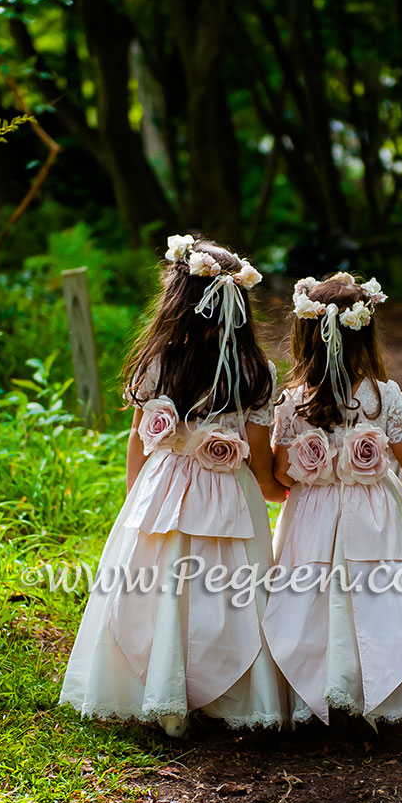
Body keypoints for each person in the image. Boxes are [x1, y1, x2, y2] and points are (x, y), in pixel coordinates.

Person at [59, 235, 287, 737]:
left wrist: (135, 497)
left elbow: (139, 442)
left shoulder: (156, 362)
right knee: (228, 594)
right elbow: (259, 458)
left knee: (161, 590)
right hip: (229, 495)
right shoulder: (256, 372)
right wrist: (278, 489)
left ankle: (167, 698)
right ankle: (228, 695)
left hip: (162, 491)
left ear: (177, 302)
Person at [262, 272, 402, 728]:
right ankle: (383, 690)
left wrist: (304, 471)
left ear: (305, 335)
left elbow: (280, 469)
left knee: (312, 596)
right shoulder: (382, 395)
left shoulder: (293, 401)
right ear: (366, 335)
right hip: (376, 508)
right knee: (382, 592)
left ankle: (319, 688)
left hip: (313, 513)